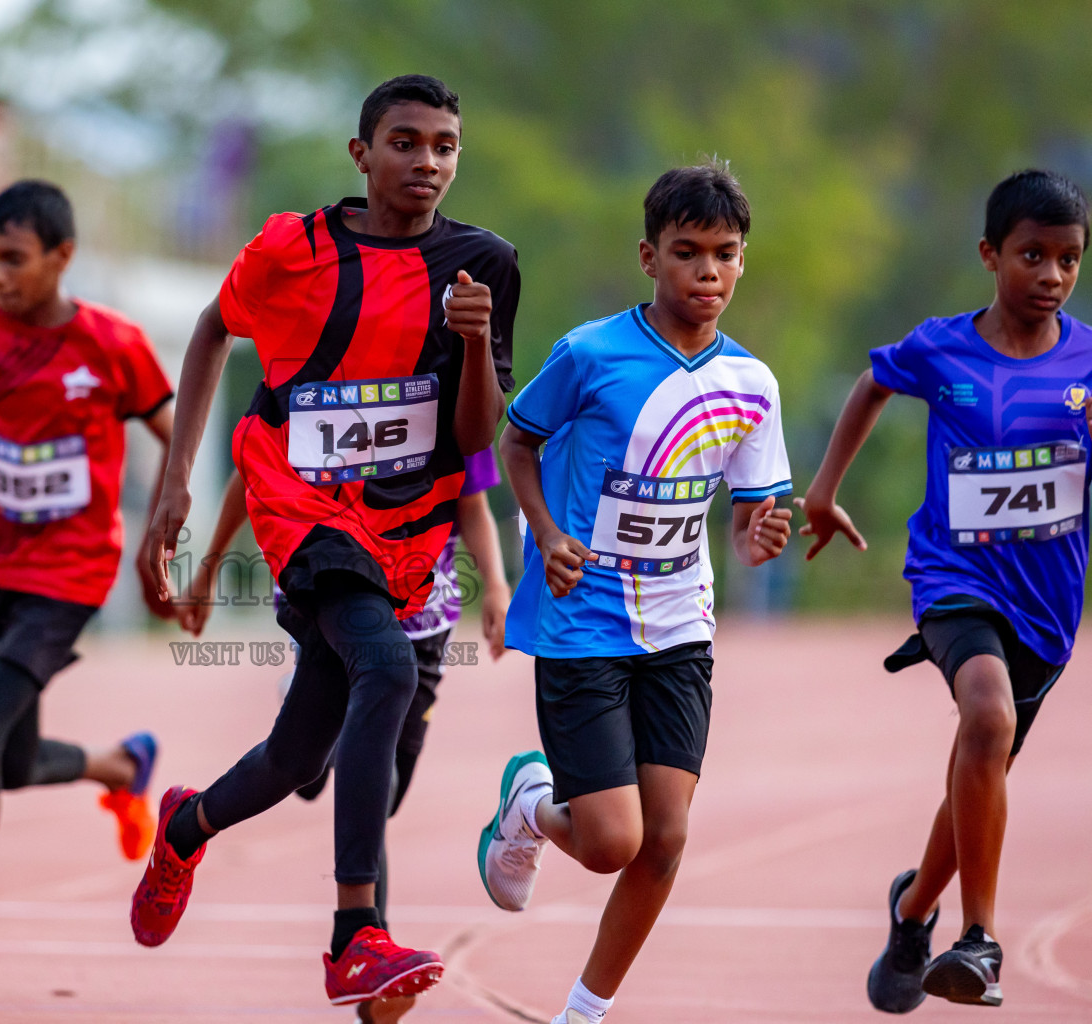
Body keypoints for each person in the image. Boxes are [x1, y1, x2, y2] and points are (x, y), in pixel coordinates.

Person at [134, 73, 519, 1007]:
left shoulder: (485, 265)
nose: (425, 161)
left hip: (409, 536)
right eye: (404, 141)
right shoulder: (288, 251)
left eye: (443, 145)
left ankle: (187, 824)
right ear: (362, 154)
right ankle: (358, 933)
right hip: (301, 507)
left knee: (299, 755)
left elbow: (475, 442)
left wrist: (473, 343)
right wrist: (176, 478)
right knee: (385, 672)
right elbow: (210, 330)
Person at [484, 162, 793, 1024]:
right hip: (583, 621)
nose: (707, 273)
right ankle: (531, 807)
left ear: (742, 262)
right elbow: (518, 443)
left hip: (679, 627)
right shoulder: (590, 354)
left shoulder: (752, 384)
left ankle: (584, 1014)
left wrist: (759, 534)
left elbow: (750, 512)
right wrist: (546, 534)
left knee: (664, 840)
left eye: (725, 255)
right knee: (610, 842)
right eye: (687, 253)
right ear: (648, 257)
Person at [799, 169, 1090, 1012]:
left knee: (983, 763)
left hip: (1047, 609)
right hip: (954, 581)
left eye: (1069, 261)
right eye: (1032, 255)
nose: (1050, 276)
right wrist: (824, 488)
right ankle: (981, 938)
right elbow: (873, 383)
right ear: (989, 255)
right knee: (988, 719)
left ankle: (913, 906)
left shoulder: (1090, 360)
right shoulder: (942, 347)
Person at [0, 179, 173, 998]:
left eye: (14, 260)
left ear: (62, 257)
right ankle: (120, 767)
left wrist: (164, 527)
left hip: (74, 573)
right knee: (7, 764)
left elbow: (171, 429)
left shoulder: (113, 343)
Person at [181, 447, 509, 1023]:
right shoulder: (320, 375)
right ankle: (369, 951)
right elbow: (248, 470)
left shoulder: (450, 381)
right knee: (344, 780)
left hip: (424, 619)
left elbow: (472, 498)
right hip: (332, 591)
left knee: (384, 788)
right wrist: (208, 565)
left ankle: (314, 723)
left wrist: (498, 588)